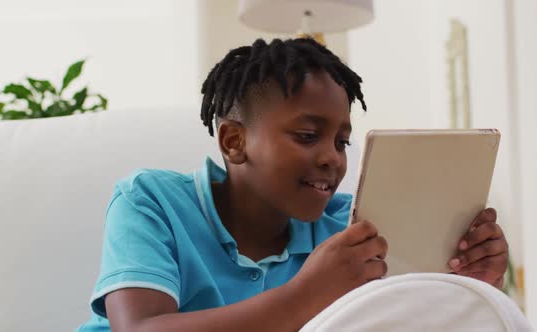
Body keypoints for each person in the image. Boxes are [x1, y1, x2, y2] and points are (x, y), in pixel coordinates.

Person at [77, 38, 509, 332]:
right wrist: (306, 294)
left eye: (342, 141)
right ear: (234, 141)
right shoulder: (151, 201)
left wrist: (469, 285)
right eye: (307, 136)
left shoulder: (351, 230)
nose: (332, 158)